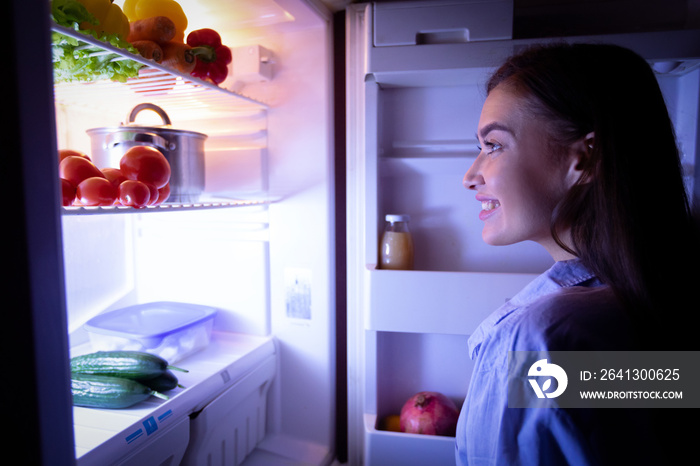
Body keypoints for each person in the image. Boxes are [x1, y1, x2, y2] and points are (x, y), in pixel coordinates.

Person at [455, 42, 700, 465]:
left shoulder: (541, 341)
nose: (470, 176)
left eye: (493, 145)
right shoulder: (658, 294)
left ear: (583, 158)